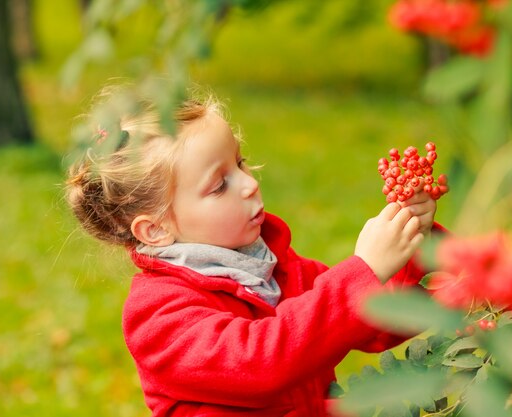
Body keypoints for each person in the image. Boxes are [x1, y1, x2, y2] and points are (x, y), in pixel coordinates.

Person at [65, 87, 442, 417]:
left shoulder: (275, 268)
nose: (249, 183)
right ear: (156, 229)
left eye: (240, 163)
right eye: (219, 185)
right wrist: (365, 272)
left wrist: (415, 244)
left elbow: (372, 323)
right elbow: (260, 363)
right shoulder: (158, 317)